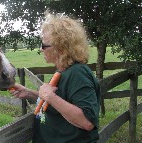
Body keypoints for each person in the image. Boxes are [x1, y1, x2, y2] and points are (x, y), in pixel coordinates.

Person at [9, 13, 100, 143]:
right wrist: (28, 93)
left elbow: (87, 121)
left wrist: (50, 97)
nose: (41, 49)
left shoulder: (78, 73)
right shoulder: (64, 69)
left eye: (44, 45)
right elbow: (61, 103)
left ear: (61, 49)